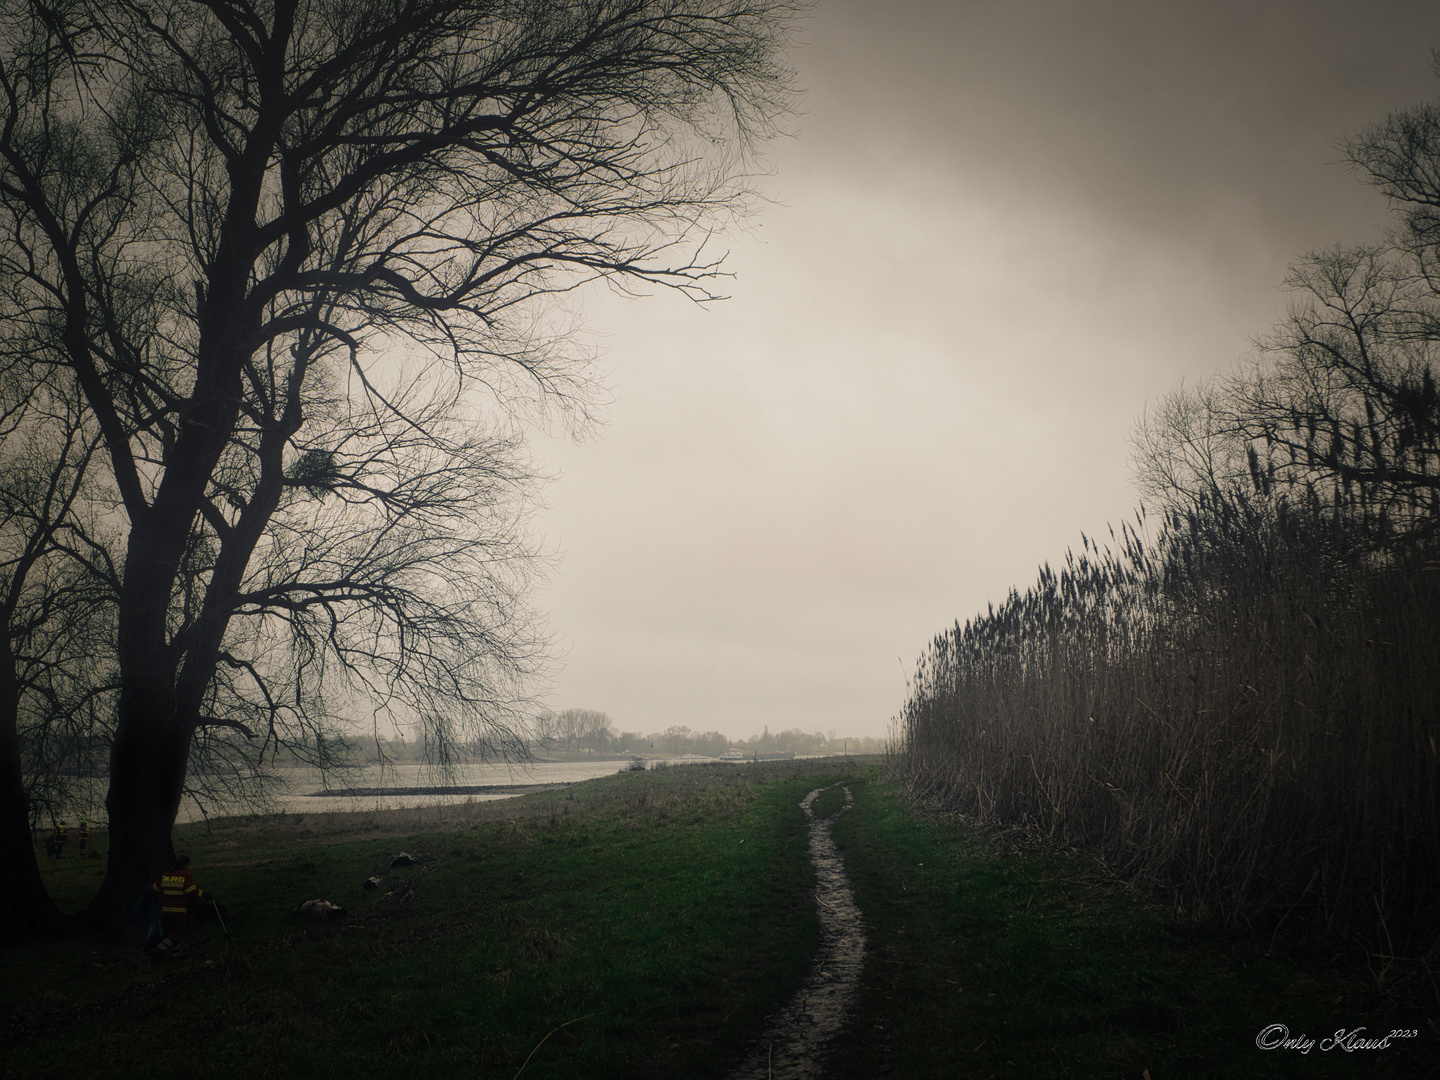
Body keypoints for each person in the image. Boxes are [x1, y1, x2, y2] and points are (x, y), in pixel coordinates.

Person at [148, 855, 212, 958]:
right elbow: (191, 892)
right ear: (186, 865)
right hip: (178, 909)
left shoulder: (167, 875)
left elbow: (153, 889)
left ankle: (176, 955)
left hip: (165, 910)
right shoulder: (185, 875)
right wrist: (203, 893)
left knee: (171, 932)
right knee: (178, 931)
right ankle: (158, 950)